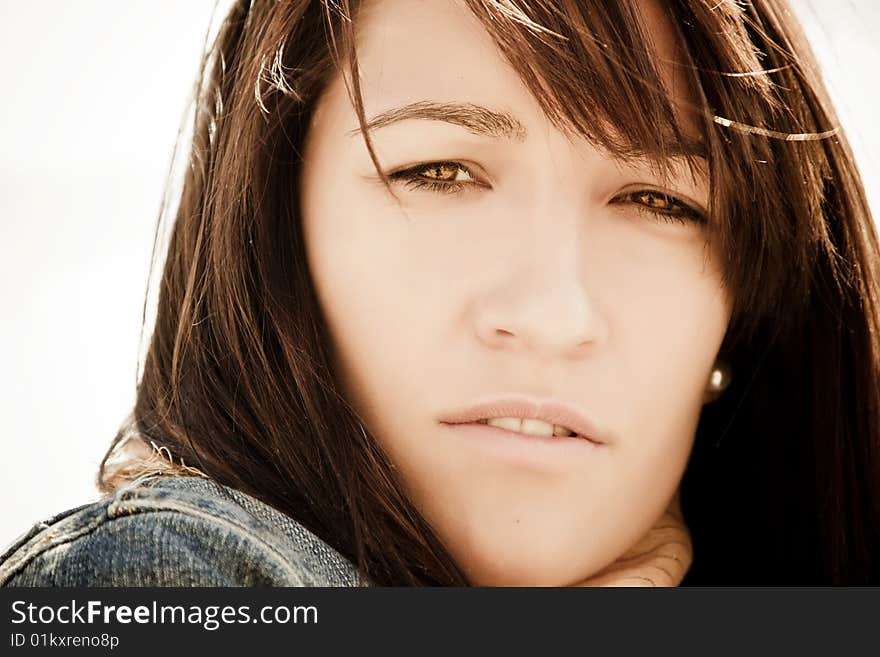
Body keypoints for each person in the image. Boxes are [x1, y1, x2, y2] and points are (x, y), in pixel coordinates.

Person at [2, 0, 878, 587]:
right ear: (277, 233)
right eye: (439, 171)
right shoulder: (161, 577)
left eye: (658, 201)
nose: (552, 314)